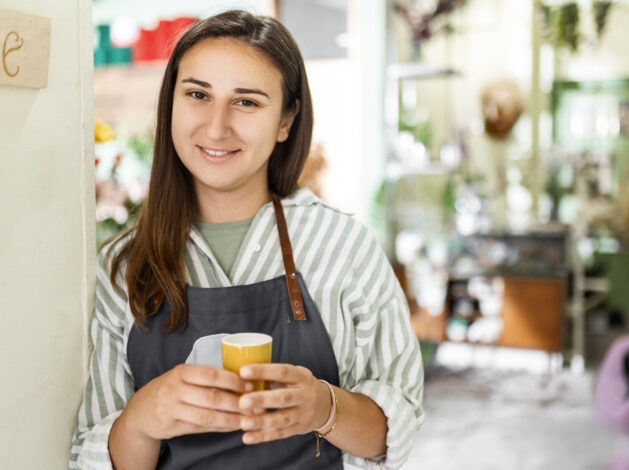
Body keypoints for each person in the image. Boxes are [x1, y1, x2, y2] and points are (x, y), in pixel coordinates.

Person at [70, 10, 424, 470]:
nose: (217, 127)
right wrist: (142, 417)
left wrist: (322, 406)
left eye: (247, 102)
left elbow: (393, 431)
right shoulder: (123, 265)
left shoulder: (343, 246)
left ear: (286, 121)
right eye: (198, 94)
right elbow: (91, 456)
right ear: (170, 104)